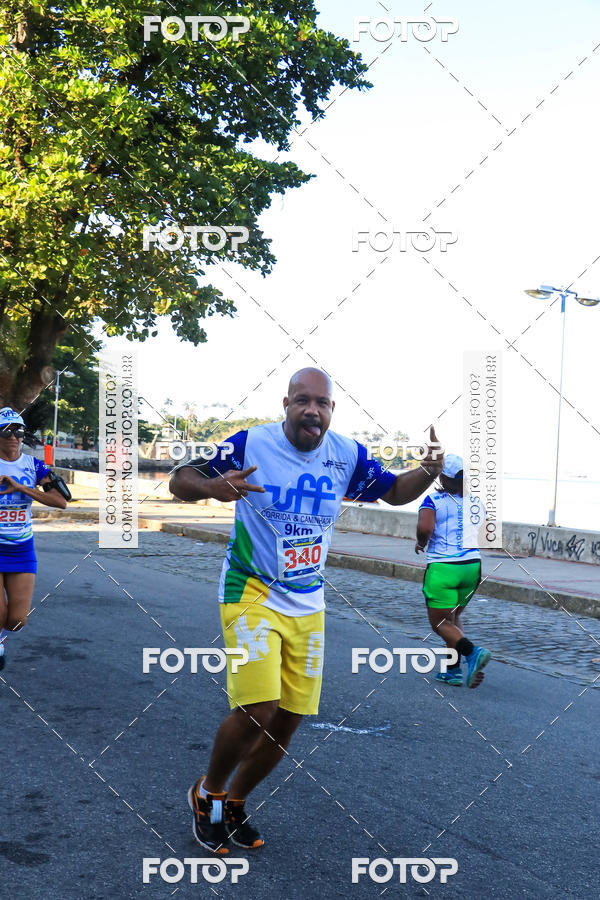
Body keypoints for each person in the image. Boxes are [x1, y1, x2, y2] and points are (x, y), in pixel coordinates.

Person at [169, 367, 444, 854]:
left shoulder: (346, 455)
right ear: (286, 403)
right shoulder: (249, 444)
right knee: (258, 707)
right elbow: (180, 480)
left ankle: (235, 801)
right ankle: (207, 792)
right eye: (302, 400)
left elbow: (395, 491)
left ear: (332, 410)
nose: (312, 410)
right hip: (250, 590)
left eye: (322, 402)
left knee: (289, 719)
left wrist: (429, 470)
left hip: (308, 602)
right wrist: (213, 489)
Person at [0, 407, 69, 670]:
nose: (14, 437)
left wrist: (20, 487)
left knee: (17, 620)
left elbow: (61, 501)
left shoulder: (33, 465)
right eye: (7, 432)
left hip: (21, 548)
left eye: (19, 431)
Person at [415, 453, 491, 689]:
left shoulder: (433, 501)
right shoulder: (477, 502)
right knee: (454, 617)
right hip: (472, 567)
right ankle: (452, 671)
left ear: (443, 478)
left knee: (439, 623)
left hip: (443, 568)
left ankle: (472, 652)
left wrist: (421, 542)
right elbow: (482, 529)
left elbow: (425, 528)